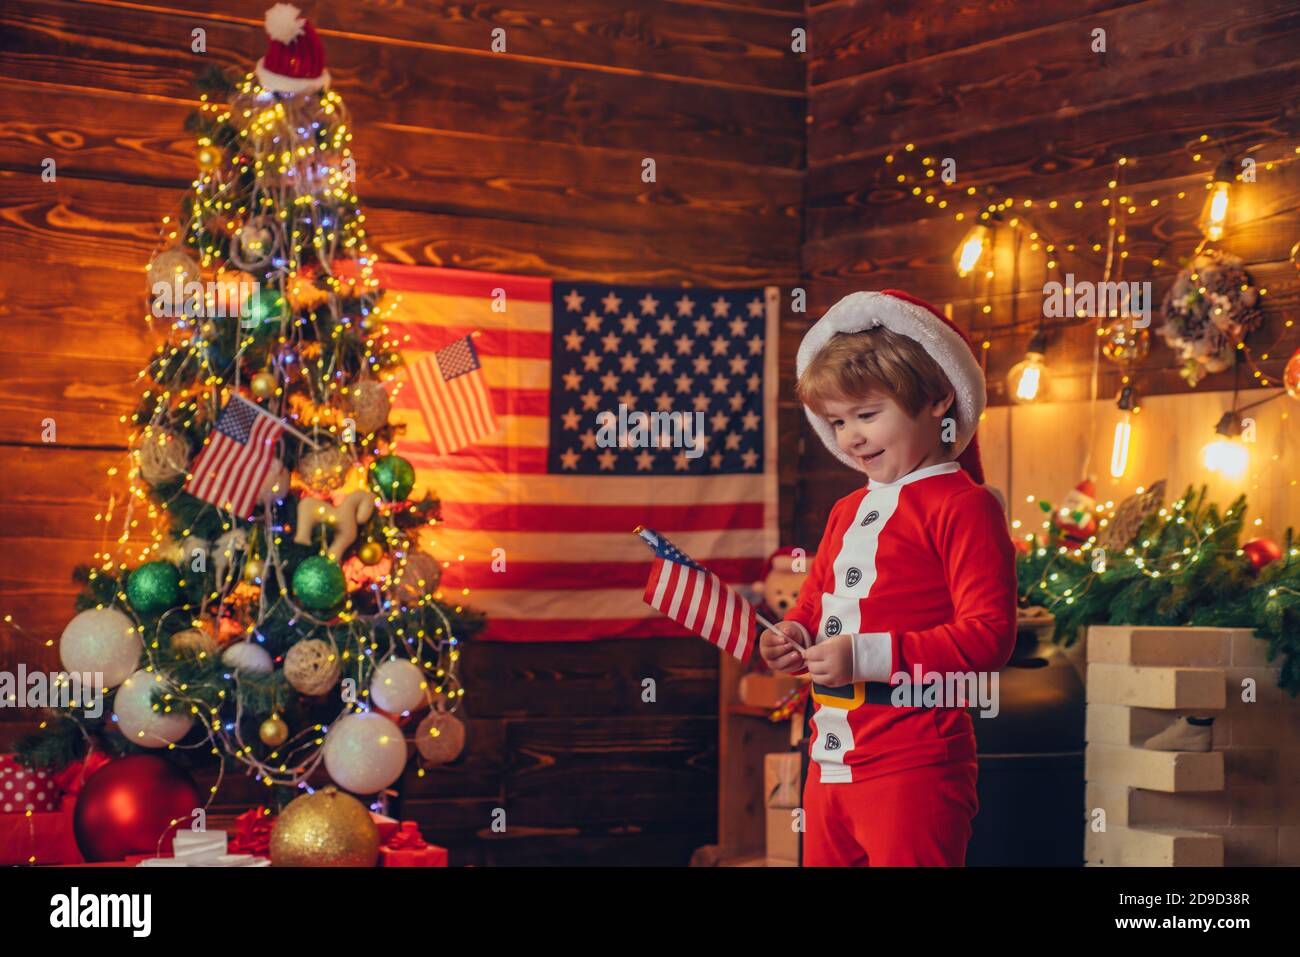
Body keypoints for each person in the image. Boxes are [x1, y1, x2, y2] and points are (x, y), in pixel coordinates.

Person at [760, 289, 1018, 866]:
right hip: (828, 761)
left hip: (914, 764)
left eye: (867, 414)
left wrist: (867, 657)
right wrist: (791, 637)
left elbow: (989, 636)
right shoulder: (846, 511)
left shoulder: (965, 506)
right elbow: (813, 607)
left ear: (936, 398)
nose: (850, 436)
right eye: (837, 421)